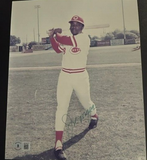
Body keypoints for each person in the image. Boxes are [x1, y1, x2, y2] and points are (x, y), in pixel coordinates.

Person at [48, 15, 98, 160]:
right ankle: (58, 144)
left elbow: (63, 40)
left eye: (77, 24)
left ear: (82, 27)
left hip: (80, 76)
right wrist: (52, 37)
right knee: (61, 107)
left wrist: (56, 33)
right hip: (65, 76)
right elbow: (58, 49)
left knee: (86, 102)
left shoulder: (84, 38)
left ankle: (94, 115)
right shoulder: (69, 38)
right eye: (72, 24)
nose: (74, 26)